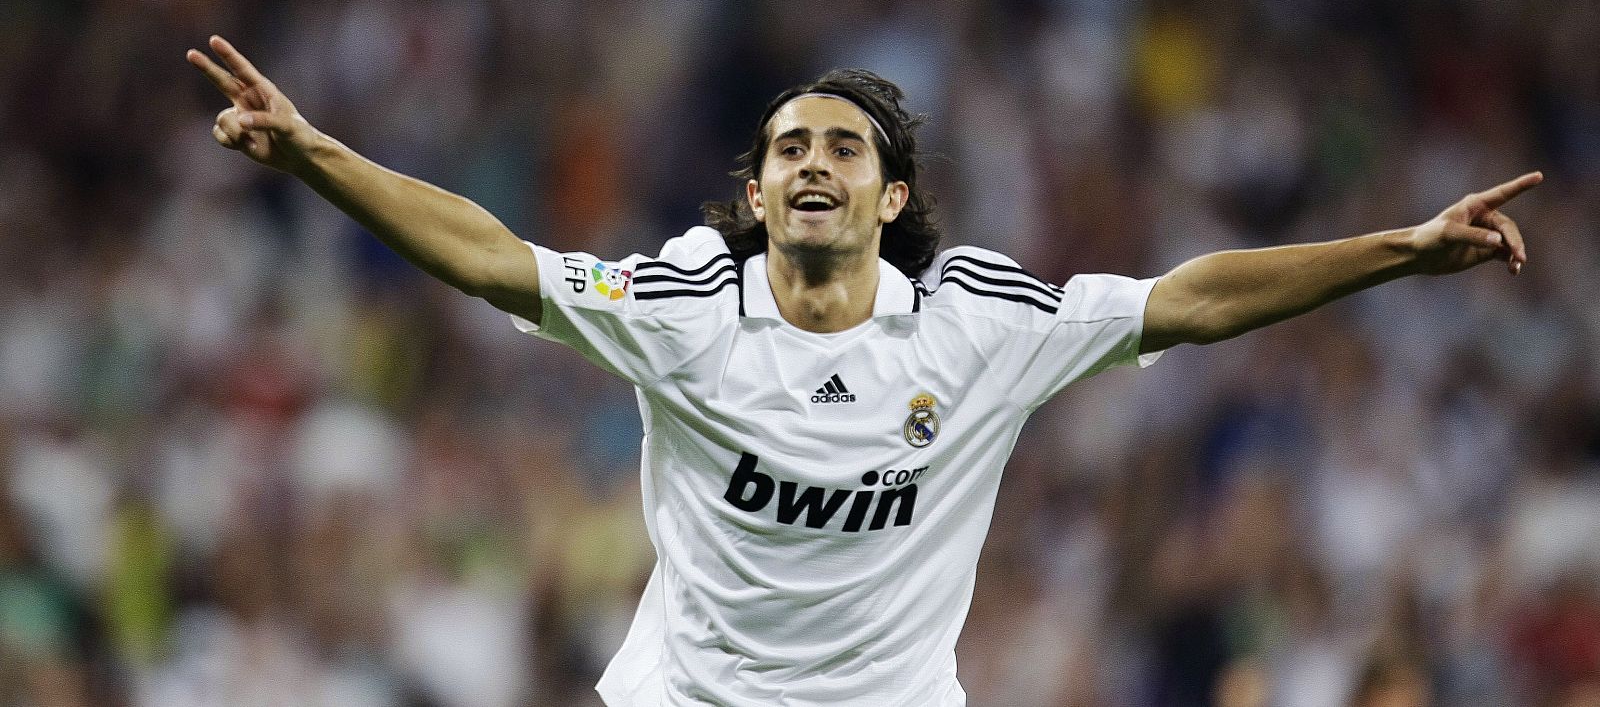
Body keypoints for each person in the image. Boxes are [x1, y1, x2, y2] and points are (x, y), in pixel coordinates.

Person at [187, 35, 1541, 706]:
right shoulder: (683, 304)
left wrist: (1402, 250)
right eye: (790, 147)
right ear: (760, 187)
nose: (814, 161)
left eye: (845, 147)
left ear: (891, 198)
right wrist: (317, 152)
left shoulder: (978, 320)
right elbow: (494, 259)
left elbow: (1192, 300)